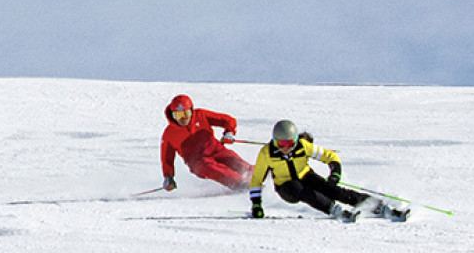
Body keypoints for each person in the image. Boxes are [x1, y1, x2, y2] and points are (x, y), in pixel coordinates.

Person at [247, 119, 403, 222]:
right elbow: (257, 180)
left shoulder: (303, 146)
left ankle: (379, 207)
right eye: (280, 143)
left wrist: (335, 174)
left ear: (295, 140)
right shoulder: (266, 153)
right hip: (286, 187)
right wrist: (256, 205)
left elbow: (330, 156)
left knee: (333, 190)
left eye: (289, 143)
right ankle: (334, 210)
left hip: (306, 175)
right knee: (304, 191)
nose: (285, 148)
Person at [160, 94, 252, 191]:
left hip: (217, 150)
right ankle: (240, 184)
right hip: (198, 162)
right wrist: (168, 177)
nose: (183, 119)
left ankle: (257, 174)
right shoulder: (169, 134)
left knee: (237, 163)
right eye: (178, 115)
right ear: (173, 115)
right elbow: (166, 159)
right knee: (212, 168)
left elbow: (228, 120)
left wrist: (229, 133)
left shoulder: (200, 115)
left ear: (191, 111)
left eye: (186, 114)